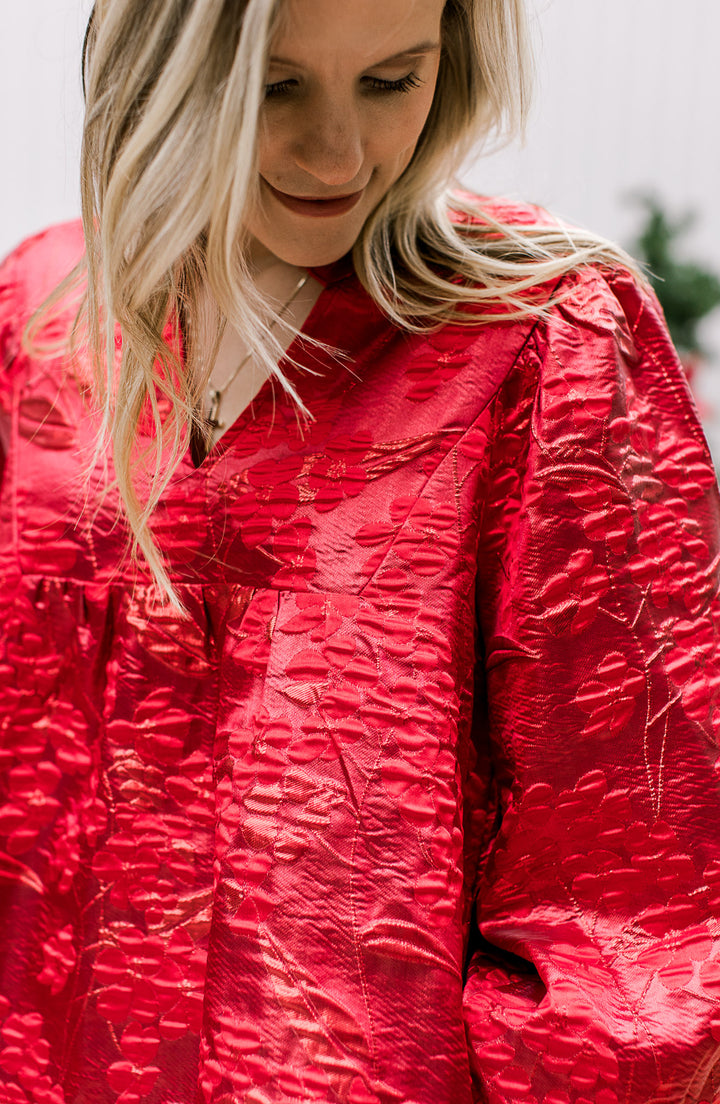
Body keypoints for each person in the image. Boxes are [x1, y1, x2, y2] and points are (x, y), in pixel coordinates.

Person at [0, 0, 718, 1101]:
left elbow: (634, 914)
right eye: (277, 88)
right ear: (151, 68)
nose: (338, 153)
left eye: (393, 80)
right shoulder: (37, 321)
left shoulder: (545, 340)